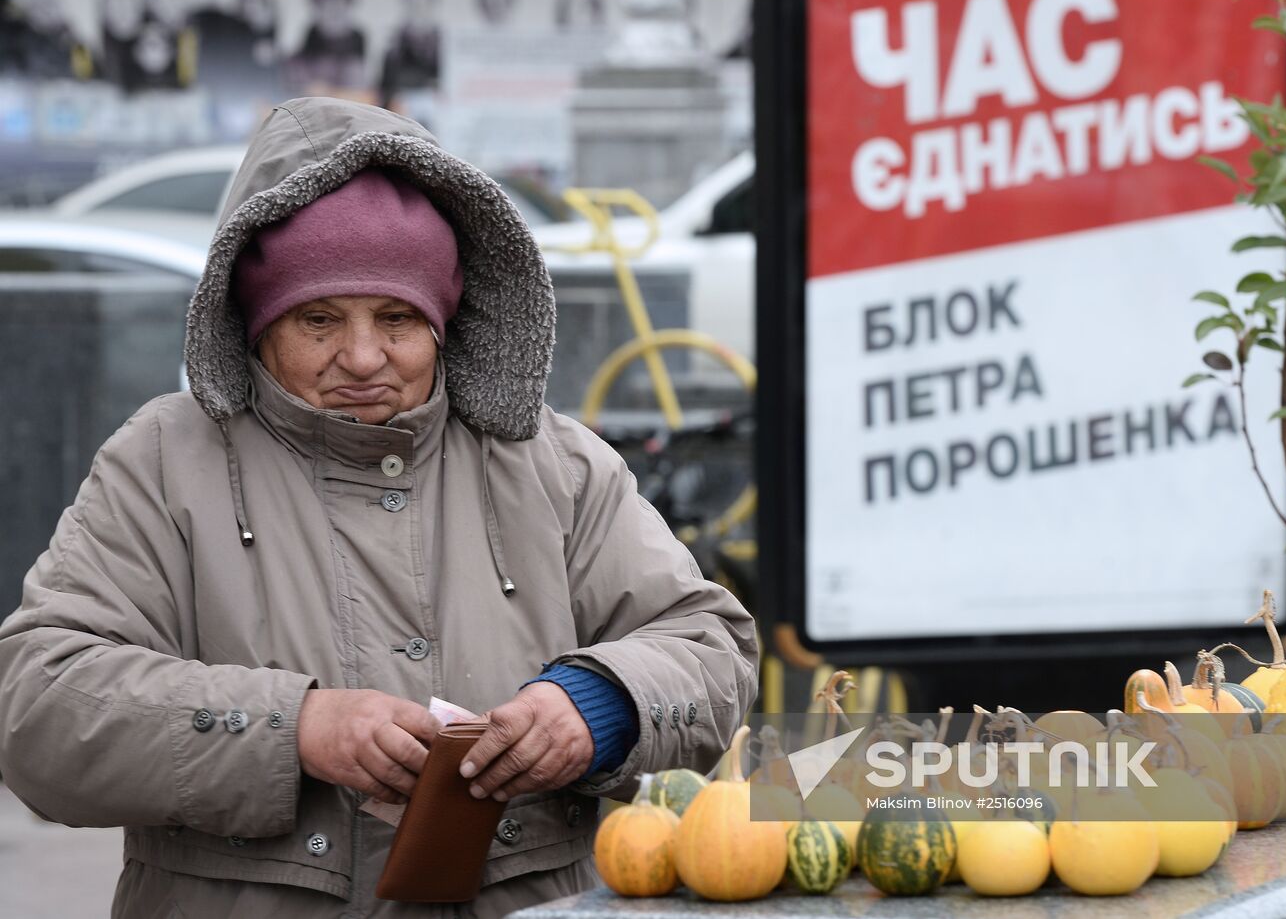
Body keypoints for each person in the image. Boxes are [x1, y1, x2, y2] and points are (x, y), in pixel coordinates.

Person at [0, 97, 759, 918]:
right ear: (255, 326)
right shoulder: (162, 462)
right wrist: (294, 726)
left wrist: (598, 705)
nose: (362, 358)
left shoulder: (552, 462)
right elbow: (39, 707)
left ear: (445, 322)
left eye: (398, 318)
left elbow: (711, 645)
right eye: (318, 319)